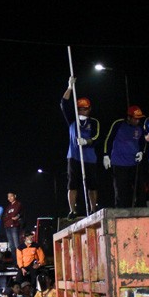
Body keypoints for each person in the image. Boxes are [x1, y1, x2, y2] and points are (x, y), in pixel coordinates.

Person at [61, 76, 100, 218]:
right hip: (74, 156)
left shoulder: (94, 122)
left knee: (92, 185)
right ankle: (73, 210)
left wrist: (87, 141)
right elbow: (64, 103)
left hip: (89, 158)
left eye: (85, 109)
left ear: (89, 109)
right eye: (80, 109)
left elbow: (97, 138)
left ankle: (93, 208)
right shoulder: (72, 120)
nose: (83, 111)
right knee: (72, 184)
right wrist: (69, 88)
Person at [104, 105, 146, 208]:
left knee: (139, 189)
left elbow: (142, 141)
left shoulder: (140, 127)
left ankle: (140, 210)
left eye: (139, 119)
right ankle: (121, 212)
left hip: (134, 163)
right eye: (135, 119)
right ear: (129, 117)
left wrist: (141, 152)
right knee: (121, 190)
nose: (137, 121)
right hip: (119, 163)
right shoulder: (118, 124)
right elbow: (108, 139)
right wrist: (106, 155)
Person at [3, 192, 23, 256]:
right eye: (8, 197)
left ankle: (20, 262)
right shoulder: (8, 207)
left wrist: (15, 216)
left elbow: (16, 213)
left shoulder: (18, 204)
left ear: (15, 196)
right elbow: (5, 217)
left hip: (14, 226)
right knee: (11, 246)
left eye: (11, 196)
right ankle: (15, 262)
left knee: (16, 244)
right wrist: (9, 217)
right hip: (7, 226)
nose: (9, 198)